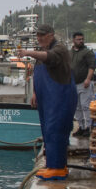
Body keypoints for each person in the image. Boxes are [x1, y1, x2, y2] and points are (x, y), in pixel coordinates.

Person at [17, 23, 76, 180]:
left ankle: (57, 168)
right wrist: (35, 93)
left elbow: (49, 58)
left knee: (56, 129)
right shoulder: (43, 51)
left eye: (42, 35)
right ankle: (52, 164)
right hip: (46, 99)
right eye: (38, 36)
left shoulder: (60, 49)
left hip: (60, 97)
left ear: (51, 35)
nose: (39, 38)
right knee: (47, 131)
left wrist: (28, 52)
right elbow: (38, 73)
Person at [70, 32, 96, 137]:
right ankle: (81, 126)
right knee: (77, 107)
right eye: (78, 39)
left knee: (85, 106)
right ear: (73, 40)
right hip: (73, 84)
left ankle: (88, 127)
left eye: (82, 39)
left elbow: (92, 66)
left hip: (84, 83)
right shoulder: (70, 52)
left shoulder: (87, 52)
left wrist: (88, 79)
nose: (81, 41)